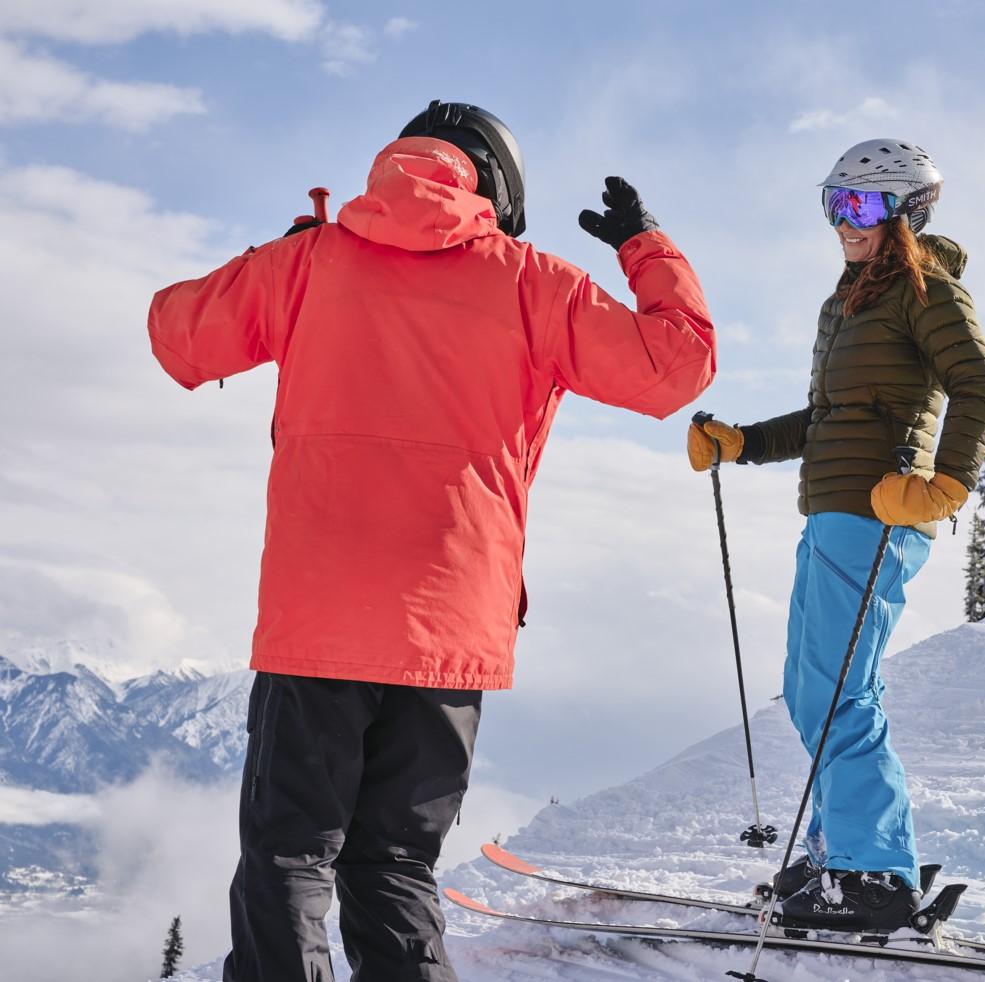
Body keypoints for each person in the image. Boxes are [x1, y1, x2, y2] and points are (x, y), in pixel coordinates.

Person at [147, 100, 716, 981]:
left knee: (289, 855)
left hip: (318, 622)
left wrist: (279, 254)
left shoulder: (309, 262)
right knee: (395, 864)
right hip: (450, 627)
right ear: (497, 183)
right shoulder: (536, 282)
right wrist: (646, 246)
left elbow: (177, 334)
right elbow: (672, 367)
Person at [688, 139, 985, 934]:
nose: (841, 222)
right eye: (832, 204)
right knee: (811, 689)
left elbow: (980, 387)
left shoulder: (923, 289)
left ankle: (873, 872)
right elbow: (828, 419)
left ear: (904, 211)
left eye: (858, 206)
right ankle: (845, 855)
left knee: (836, 692)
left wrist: (947, 484)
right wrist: (743, 442)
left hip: (881, 511)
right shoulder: (852, 301)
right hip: (833, 509)